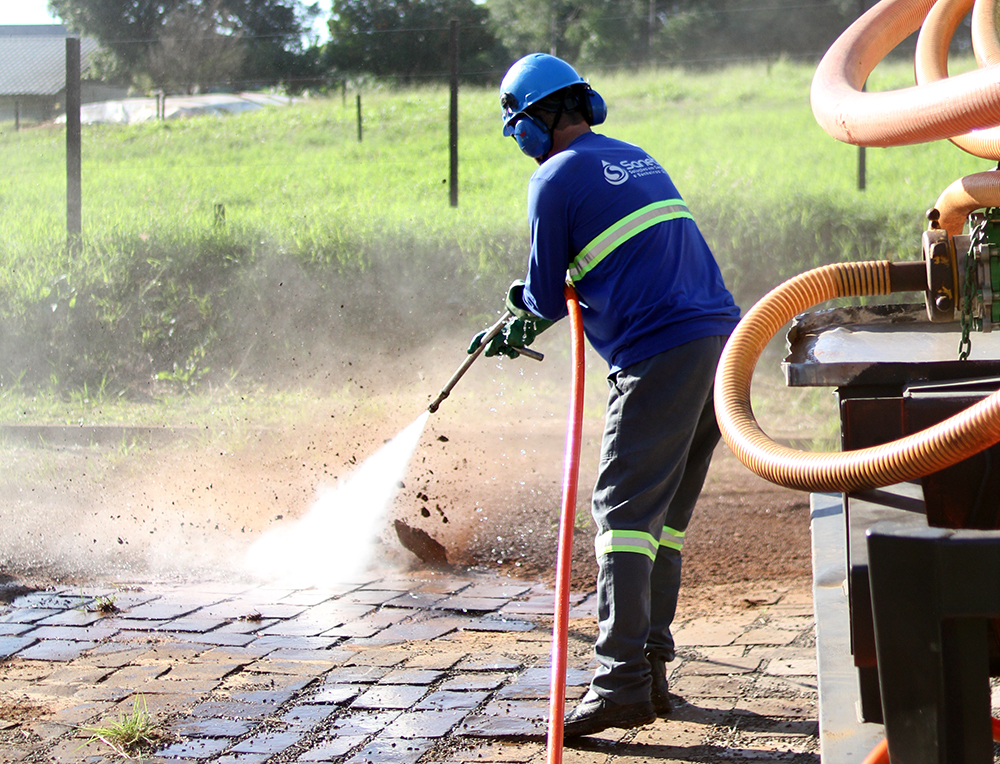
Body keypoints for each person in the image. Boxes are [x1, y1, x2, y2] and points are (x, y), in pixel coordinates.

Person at [469, 53, 741, 738]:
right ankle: (650, 670)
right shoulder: (635, 157)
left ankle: (619, 683)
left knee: (620, 512)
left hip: (660, 352)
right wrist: (532, 306)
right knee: (663, 520)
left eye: (516, 127)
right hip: (723, 345)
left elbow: (543, 294)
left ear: (534, 121)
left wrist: (517, 318)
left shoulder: (553, 178)